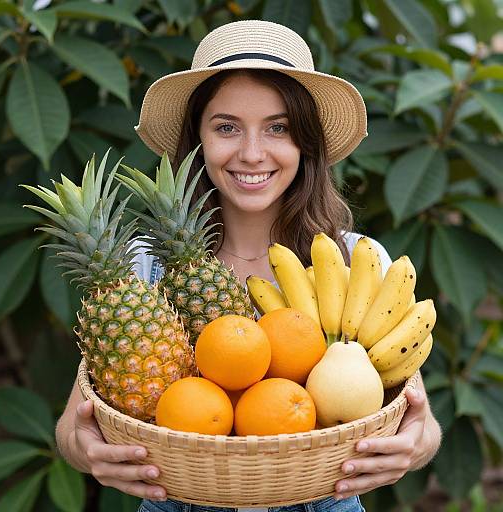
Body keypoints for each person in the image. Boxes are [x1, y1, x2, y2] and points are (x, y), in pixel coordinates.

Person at [55, 20, 442, 512]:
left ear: (307, 143)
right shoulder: (143, 270)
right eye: (226, 127)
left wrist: (415, 445)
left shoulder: (354, 262)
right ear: (195, 139)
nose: (253, 153)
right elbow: (73, 427)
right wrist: (89, 452)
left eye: (278, 127)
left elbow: (417, 419)